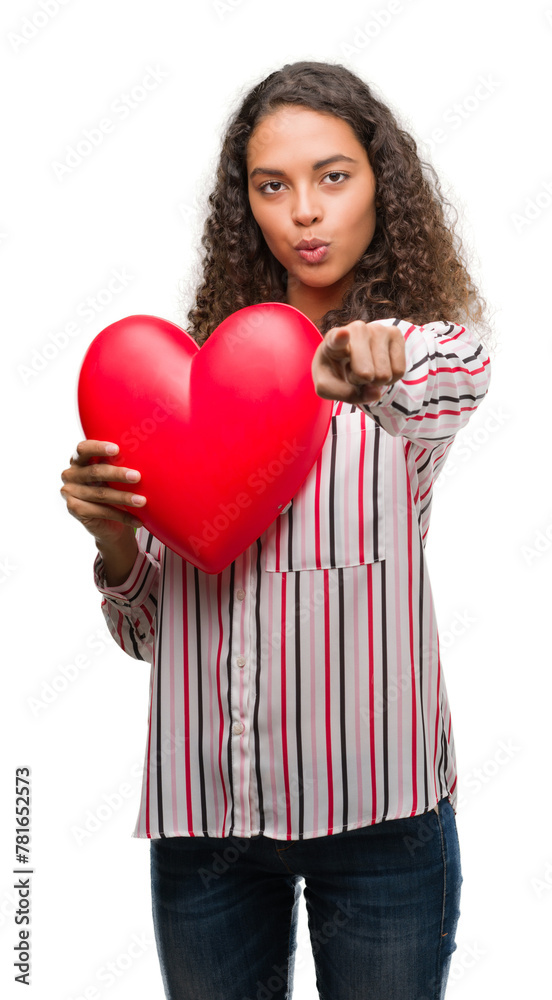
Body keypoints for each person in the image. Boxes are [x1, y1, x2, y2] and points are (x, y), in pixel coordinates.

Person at [60, 61, 492, 1000]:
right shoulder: (185, 394)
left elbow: (456, 375)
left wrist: (363, 366)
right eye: (273, 185)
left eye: (333, 176)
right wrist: (115, 541)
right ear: (245, 206)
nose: (304, 210)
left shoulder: (412, 362)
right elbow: (147, 636)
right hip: (208, 825)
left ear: (382, 185)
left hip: (384, 822)